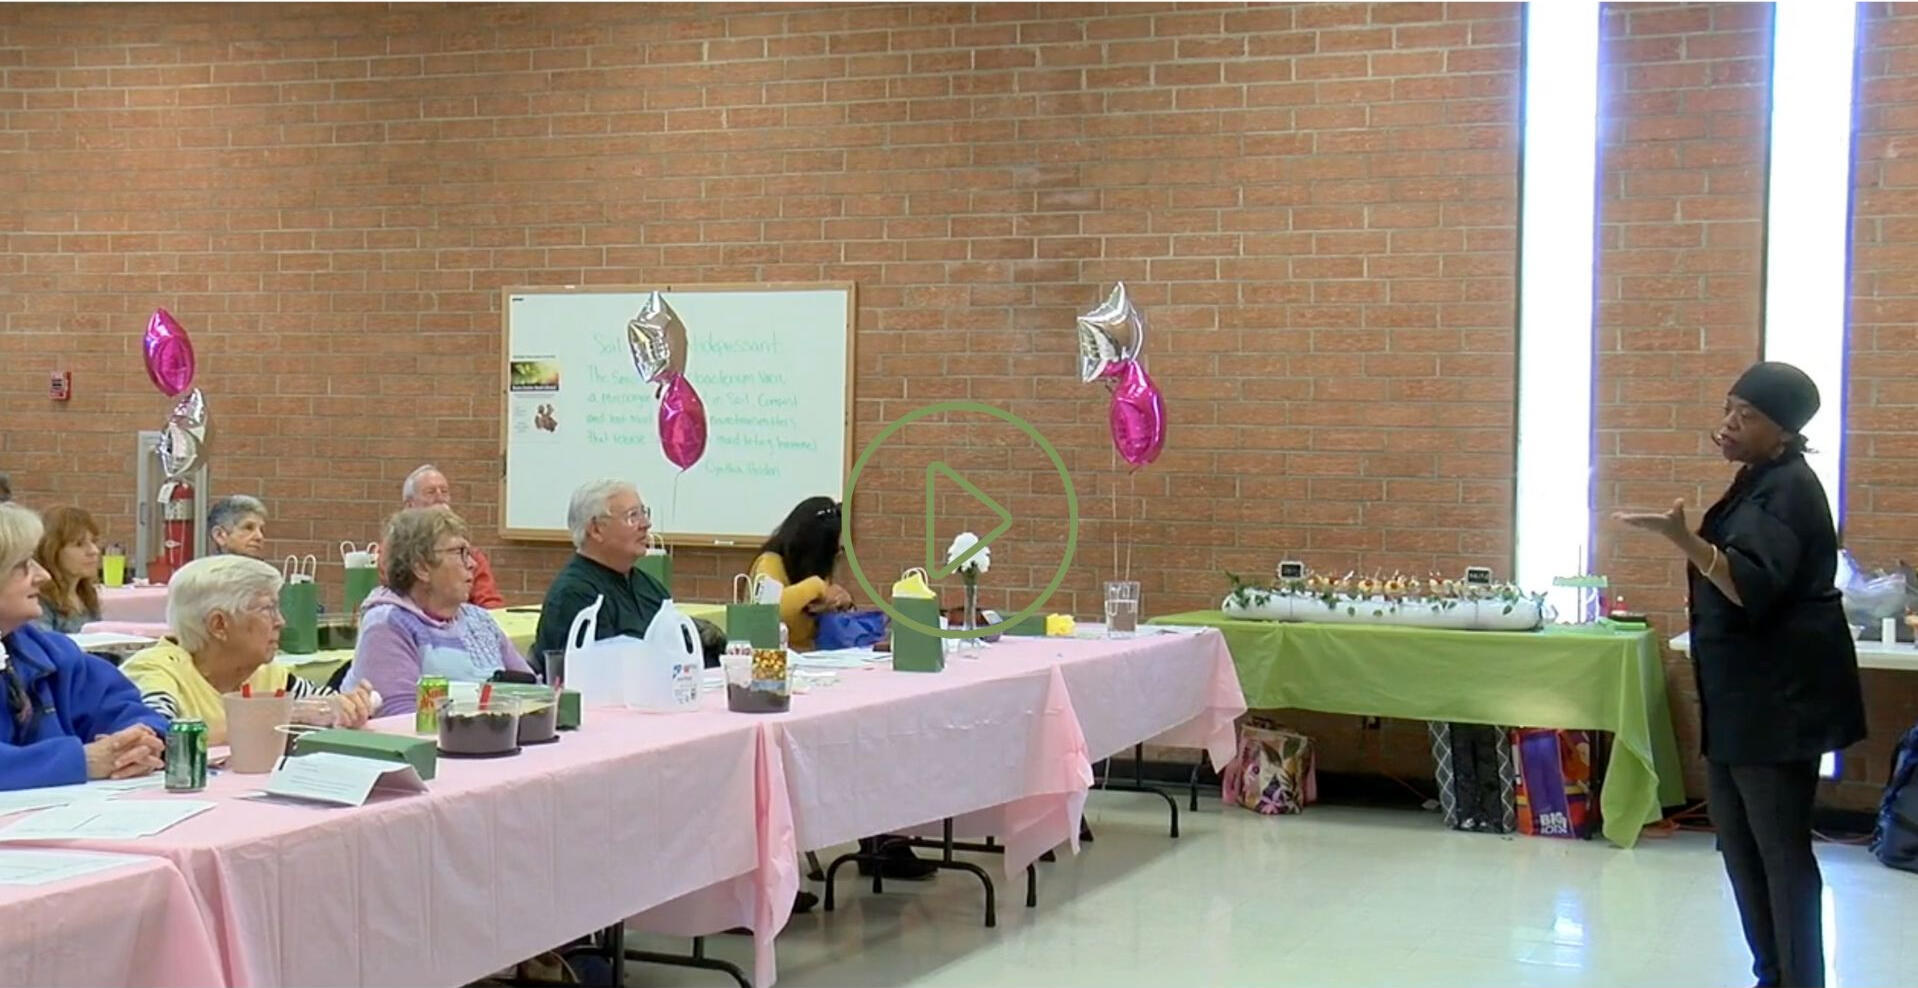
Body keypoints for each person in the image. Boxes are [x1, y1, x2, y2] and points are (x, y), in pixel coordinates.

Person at [1615, 361, 1866, 988]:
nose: (1728, 424)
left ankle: (1798, 979)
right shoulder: (1758, 479)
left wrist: (1684, 541)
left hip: (1780, 703)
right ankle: (1771, 973)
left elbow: (1749, 583)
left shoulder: (1789, 487)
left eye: (1747, 415)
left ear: (1782, 433)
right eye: (1729, 407)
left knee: (1780, 851)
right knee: (1740, 844)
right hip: (1742, 699)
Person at [121, 555, 374, 746]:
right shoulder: (156, 671)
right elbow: (159, 741)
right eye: (267, 609)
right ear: (219, 625)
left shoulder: (263, 673)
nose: (281, 621)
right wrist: (284, 716)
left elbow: (321, 703)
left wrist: (345, 707)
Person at [0, 503, 166, 790]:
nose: (43, 576)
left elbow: (122, 706)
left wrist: (142, 743)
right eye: (23, 565)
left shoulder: (46, 653)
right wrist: (79, 761)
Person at [344, 506, 529, 716]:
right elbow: (398, 716)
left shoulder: (480, 619)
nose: (473, 564)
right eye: (459, 552)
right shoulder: (387, 624)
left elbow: (533, 692)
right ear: (421, 568)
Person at [530, 480, 670, 675]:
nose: (646, 525)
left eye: (644, 513)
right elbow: (595, 676)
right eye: (632, 516)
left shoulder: (651, 588)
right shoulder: (574, 595)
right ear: (596, 529)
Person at [750, 497, 854, 652]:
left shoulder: (814, 568)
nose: (838, 553)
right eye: (832, 549)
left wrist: (842, 603)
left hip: (814, 657)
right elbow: (771, 611)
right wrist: (818, 586)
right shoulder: (770, 563)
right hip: (776, 659)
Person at [401, 464, 505, 608]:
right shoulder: (392, 554)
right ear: (409, 505)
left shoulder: (471, 556)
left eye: (444, 492)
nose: (440, 497)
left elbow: (491, 604)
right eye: (430, 492)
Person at [30, 506, 103, 633]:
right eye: (79, 544)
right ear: (52, 550)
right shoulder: (38, 599)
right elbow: (44, 646)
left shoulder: (87, 594)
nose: (94, 551)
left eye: (94, 542)